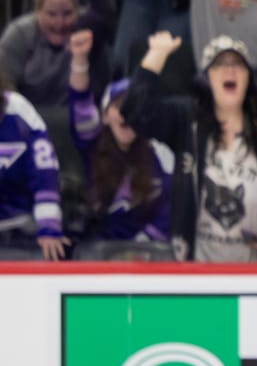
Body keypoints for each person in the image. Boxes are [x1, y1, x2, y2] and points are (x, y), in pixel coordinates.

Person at [121, 32, 257, 261]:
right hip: (197, 276)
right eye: (220, 64)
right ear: (207, 78)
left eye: (238, 64)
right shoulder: (187, 121)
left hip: (256, 277)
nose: (230, 70)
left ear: (248, 78)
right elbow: (135, 112)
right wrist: (156, 54)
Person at [66, 71, 174, 257]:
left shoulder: (161, 154)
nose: (126, 114)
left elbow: (171, 208)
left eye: (133, 108)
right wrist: (79, 61)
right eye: (118, 106)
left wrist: (140, 246)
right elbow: (80, 105)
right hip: (97, 255)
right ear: (105, 116)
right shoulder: (91, 148)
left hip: (149, 253)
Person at [0, 66, 66, 259]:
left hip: (19, 227)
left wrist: (49, 226)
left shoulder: (18, 108)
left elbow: (44, 169)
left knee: (50, 253)